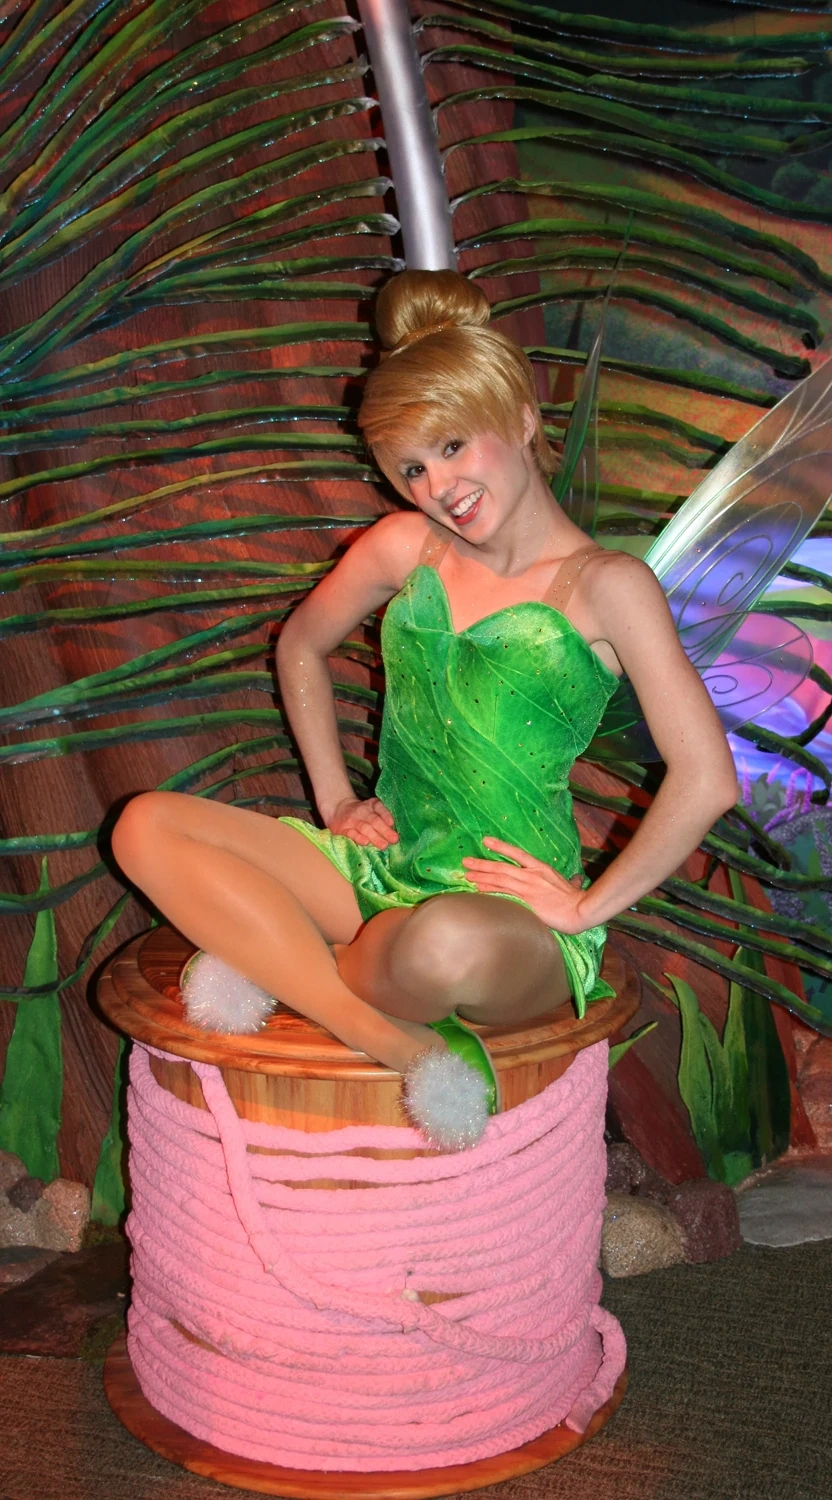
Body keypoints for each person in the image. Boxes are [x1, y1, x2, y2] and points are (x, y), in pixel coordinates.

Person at [111, 270, 737, 1141]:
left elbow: (708, 779)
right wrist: (336, 800)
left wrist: (587, 907)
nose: (439, 485)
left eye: (452, 446)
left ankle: (287, 962)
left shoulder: (609, 585)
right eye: (412, 467)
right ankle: (383, 1034)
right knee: (143, 826)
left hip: (501, 914)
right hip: (379, 866)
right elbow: (301, 646)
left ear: (522, 418)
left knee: (440, 943)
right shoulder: (405, 546)